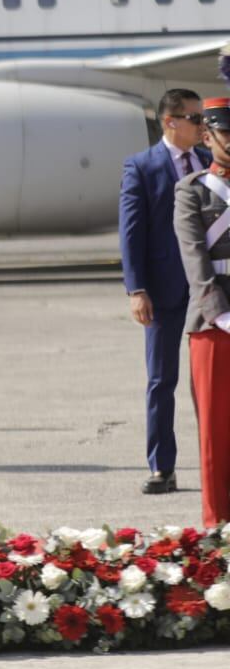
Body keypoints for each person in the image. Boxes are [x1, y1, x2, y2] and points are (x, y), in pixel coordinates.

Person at [121, 88, 209, 495]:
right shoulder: (141, 167)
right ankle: (162, 467)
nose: (202, 125)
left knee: (213, 381)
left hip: (210, 290)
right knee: (161, 381)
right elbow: (132, 233)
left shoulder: (212, 163)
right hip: (163, 290)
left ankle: (216, 465)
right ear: (170, 121)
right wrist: (137, 289)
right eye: (194, 118)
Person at [172, 94, 230, 527]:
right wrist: (223, 315)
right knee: (215, 430)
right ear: (208, 137)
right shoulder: (191, 191)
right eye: (225, 133)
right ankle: (218, 526)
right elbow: (195, 260)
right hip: (214, 324)